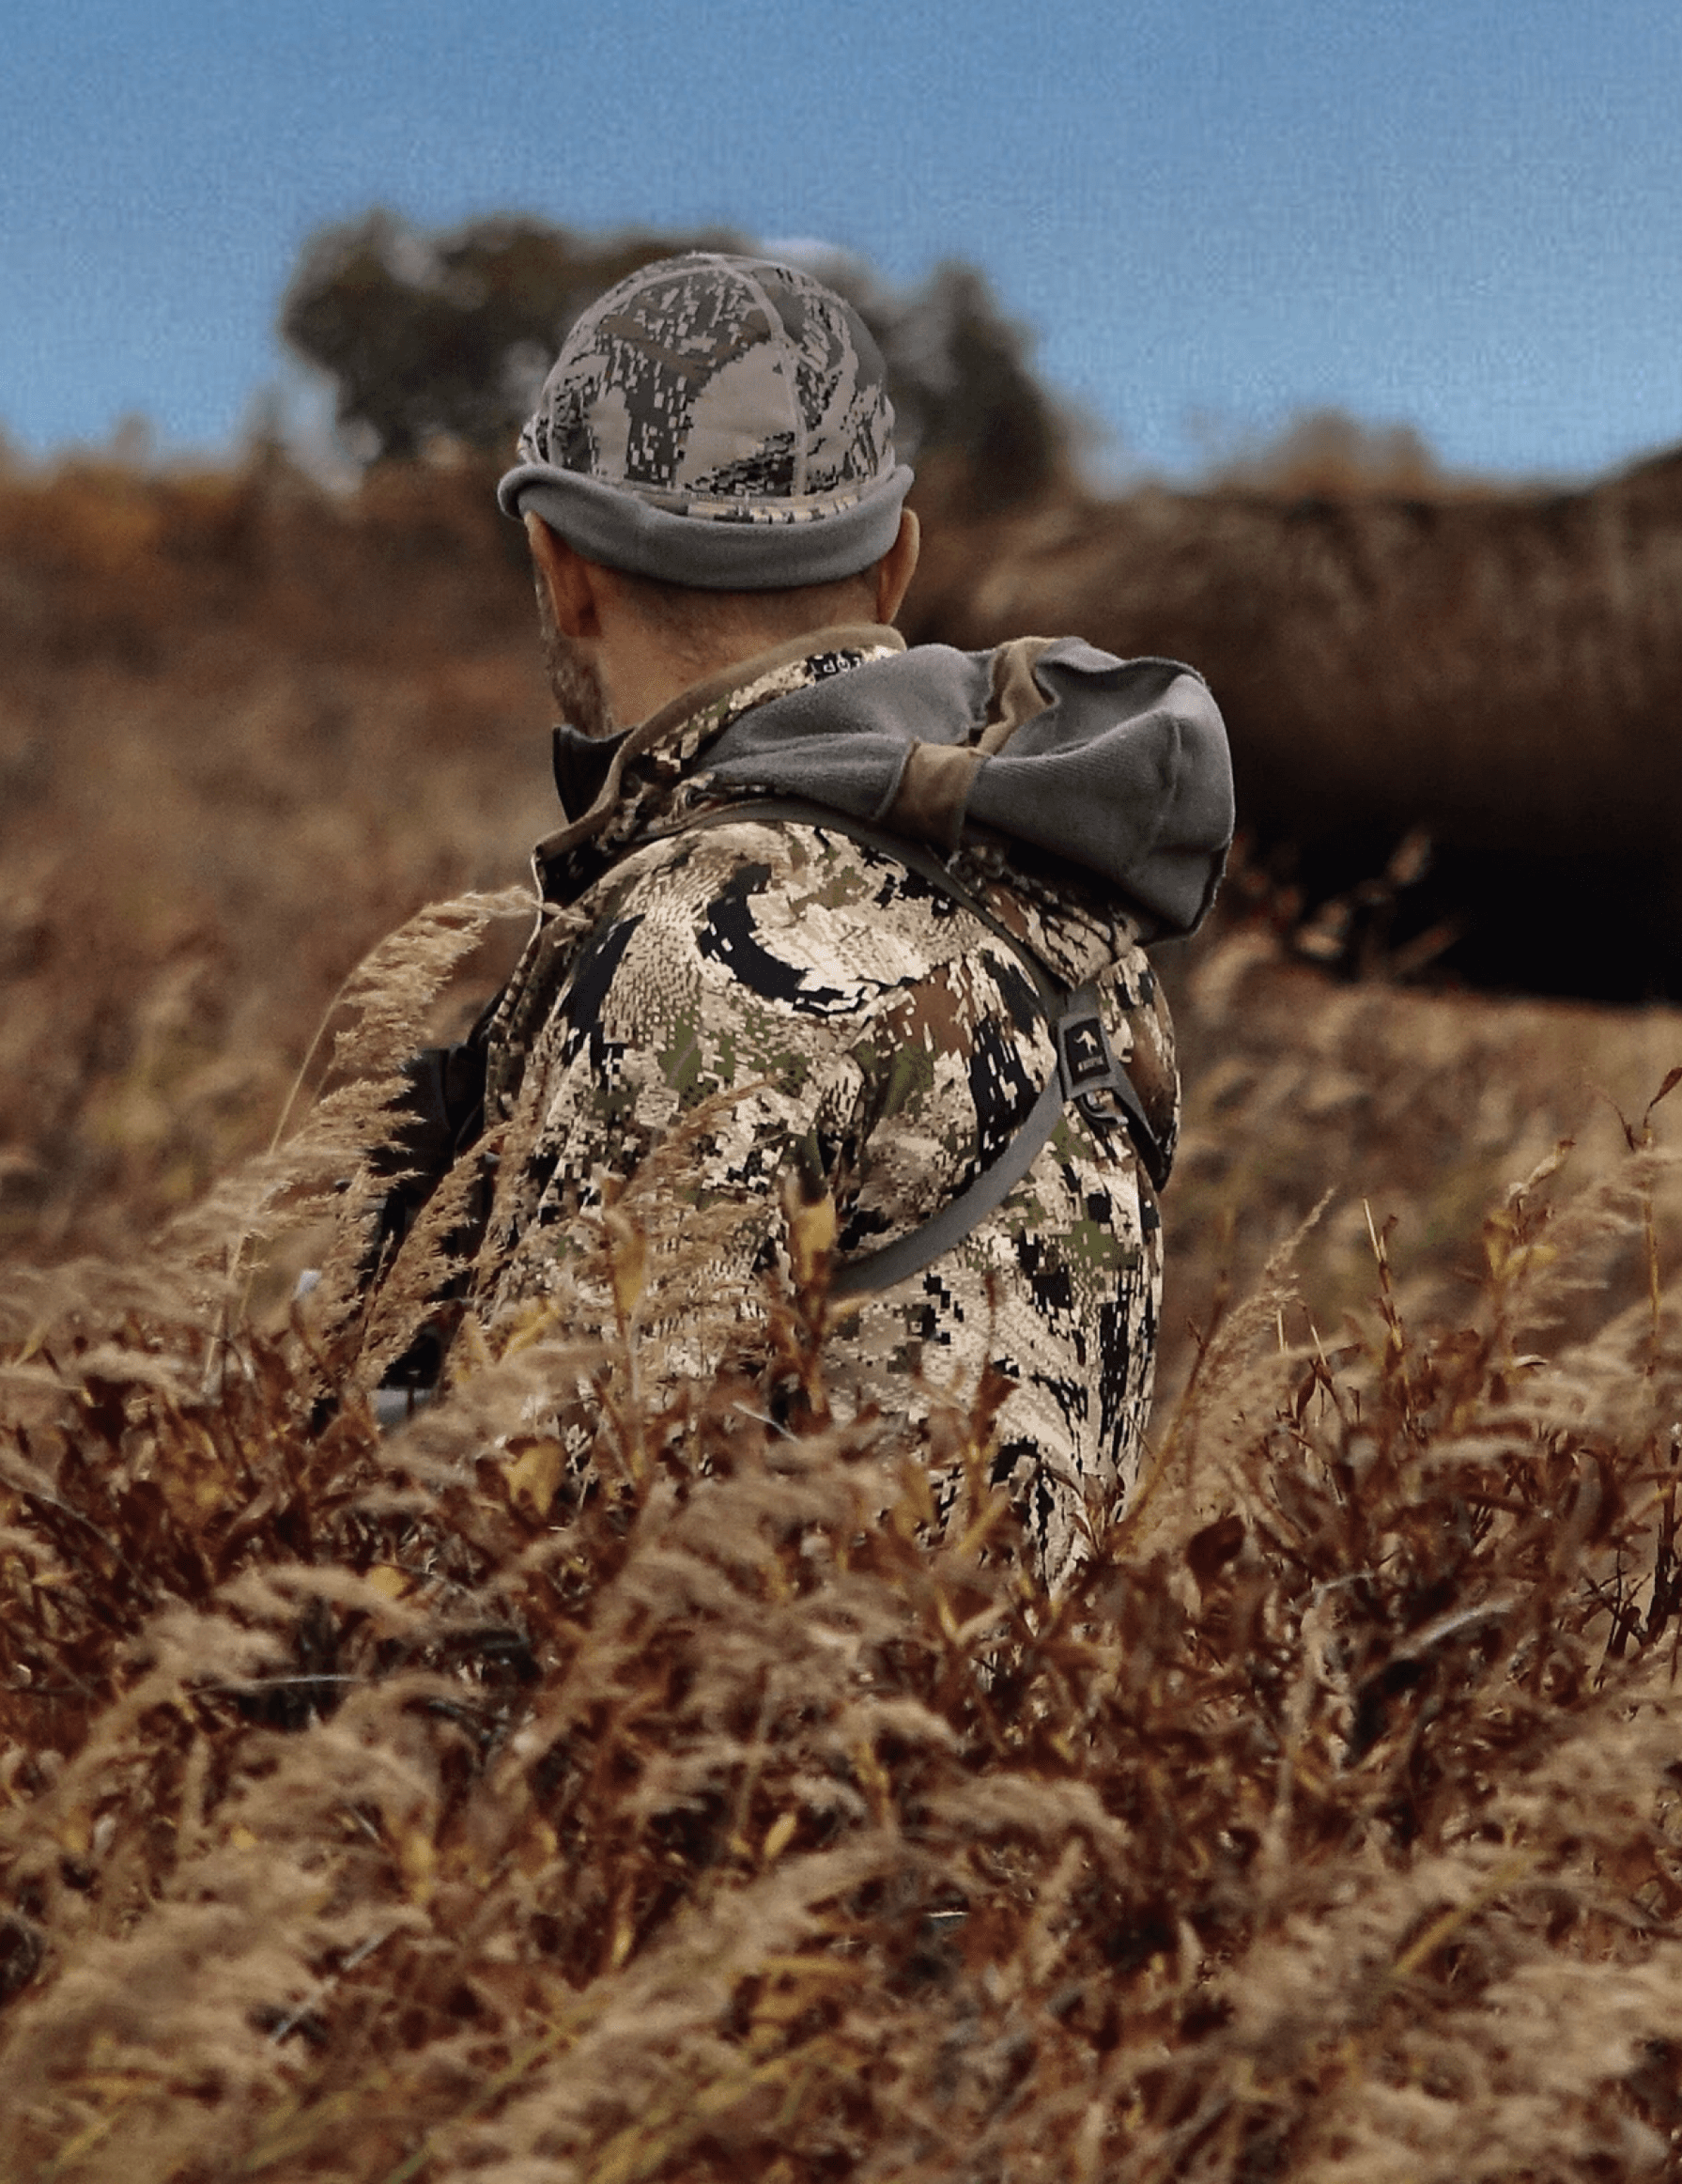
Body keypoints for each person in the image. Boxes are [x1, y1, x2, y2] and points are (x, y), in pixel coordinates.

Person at [353, 250, 1232, 1582]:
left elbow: (529, 1570)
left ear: (561, 568)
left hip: (756, 1778)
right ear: (897, 564)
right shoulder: (1071, 906)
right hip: (1047, 1764)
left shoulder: (689, 950)